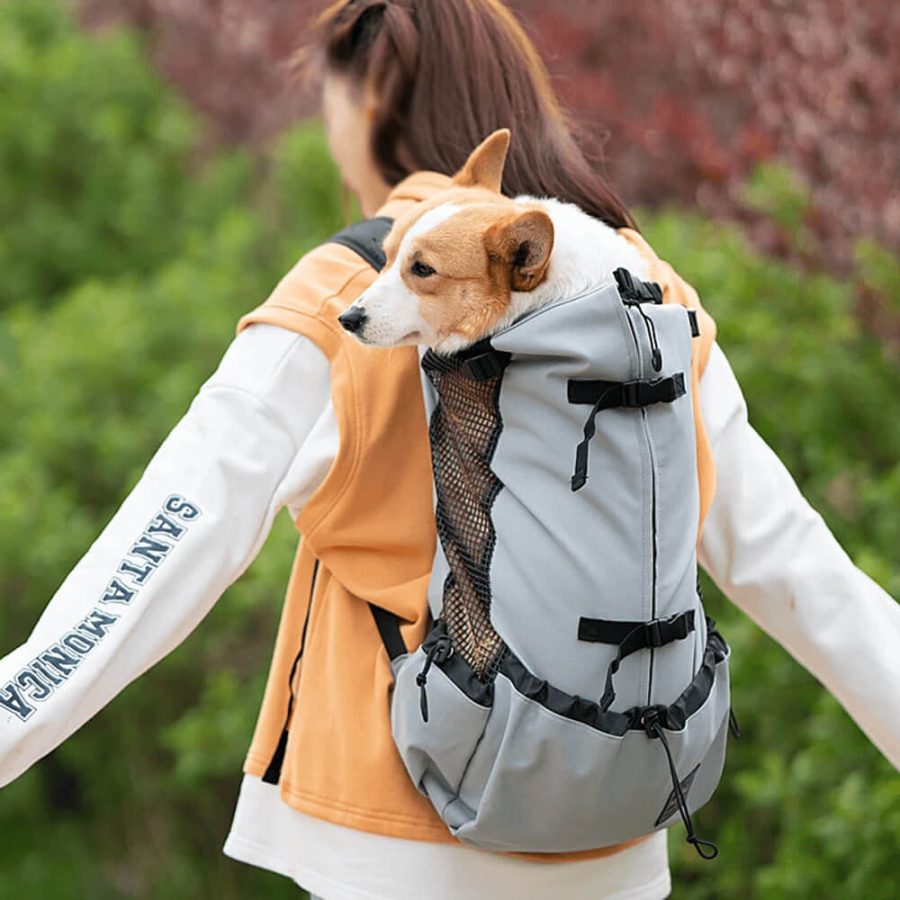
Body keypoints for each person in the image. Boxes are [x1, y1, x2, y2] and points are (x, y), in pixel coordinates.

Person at [1, 1, 897, 898]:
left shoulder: (346, 289)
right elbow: (794, 567)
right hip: (614, 830)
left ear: (377, 91)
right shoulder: (647, 293)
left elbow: (167, 544)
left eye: (329, 100)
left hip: (393, 842)